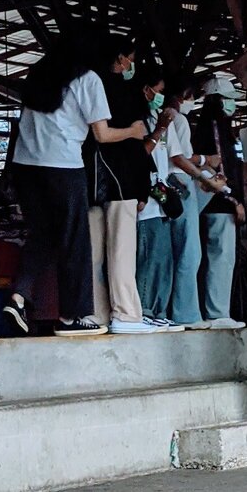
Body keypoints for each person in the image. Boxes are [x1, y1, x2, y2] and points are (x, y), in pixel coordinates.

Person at [3, 38, 145, 335]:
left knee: (42, 234)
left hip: (26, 167)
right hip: (62, 167)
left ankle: (18, 297)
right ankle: (75, 316)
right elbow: (102, 135)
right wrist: (133, 131)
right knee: (75, 240)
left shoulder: (39, 73)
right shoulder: (87, 79)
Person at [89, 40, 160, 335]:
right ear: (121, 59)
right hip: (121, 180)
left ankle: (96, 313)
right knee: (121, 249)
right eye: (131, 60)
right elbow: (123, 142)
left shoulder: (90, 85)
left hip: (90, 179)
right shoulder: (123, 93)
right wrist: (133, 131)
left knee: (94, 251)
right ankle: (127, 314)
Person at [189, 72, 246, 328]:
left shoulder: (209, 125)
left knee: (213, 257)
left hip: (212, 201)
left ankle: (214, 310)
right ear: (218, 100)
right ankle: (217, 312)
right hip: (219, 202)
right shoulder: (216, 127)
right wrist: (234, 199)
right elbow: (220, 168)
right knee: (221, 257)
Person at [133, 63, 177, 326]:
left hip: (159, 199)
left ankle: (158, 312)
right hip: (145, 202)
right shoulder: (138, 121)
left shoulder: (153, 116)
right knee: (148, 260)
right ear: (146, 89)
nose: (160, 96)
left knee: (163, 261)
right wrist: (160, 129)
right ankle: (145, 311)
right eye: (157, 91)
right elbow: (140, 155)